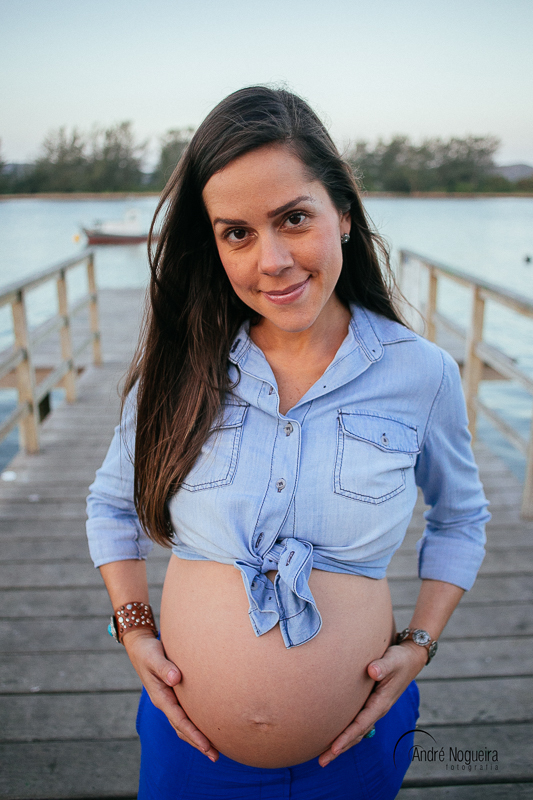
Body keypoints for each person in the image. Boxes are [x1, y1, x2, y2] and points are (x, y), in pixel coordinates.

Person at [86, 86, 490, 799]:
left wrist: (419, 645)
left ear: (343, 214)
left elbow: (460, 517)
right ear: (212, 244)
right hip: (189, 754)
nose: (270, 260)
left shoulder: (420, 373)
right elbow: (111, 505)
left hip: (354, 753)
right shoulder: (180, 367)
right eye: (236, 232)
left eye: (293, 219)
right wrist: (134, 628)